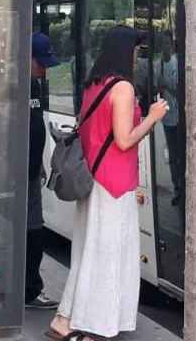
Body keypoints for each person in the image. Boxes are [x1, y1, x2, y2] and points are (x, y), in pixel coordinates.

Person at [48, 26, 168, 341]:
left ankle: (65, 319)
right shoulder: (123, 89)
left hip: (92, 181)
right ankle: (97, 327)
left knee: (87, 251)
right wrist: (153, 117)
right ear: (124, 51)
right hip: (114, 184)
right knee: (110, 253)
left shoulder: (94, 85)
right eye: (136, 50)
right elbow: (125, 140)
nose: (136, 55)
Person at [25, 32, 60, 310]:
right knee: (30, 232)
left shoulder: (35, 86)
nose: (45, 69)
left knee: (35, 231)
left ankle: (29, 288)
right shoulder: (12, 85)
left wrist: (42, 163)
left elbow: (37, 127)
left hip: (32, 171)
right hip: (16, 174)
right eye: (41, 62)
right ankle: (28, 291)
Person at [154, 34, 183, 205]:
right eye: (161, 44)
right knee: (172, 156)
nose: (164, 47)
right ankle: (176, 188)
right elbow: (158, 87)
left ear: (172, 44)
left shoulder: (177, 62)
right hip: (168, 117)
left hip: (180, 117)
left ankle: (183, 186)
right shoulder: (159, 65)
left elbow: (181, 90)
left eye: (166, 43)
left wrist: (168, 88)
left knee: (180, 154)